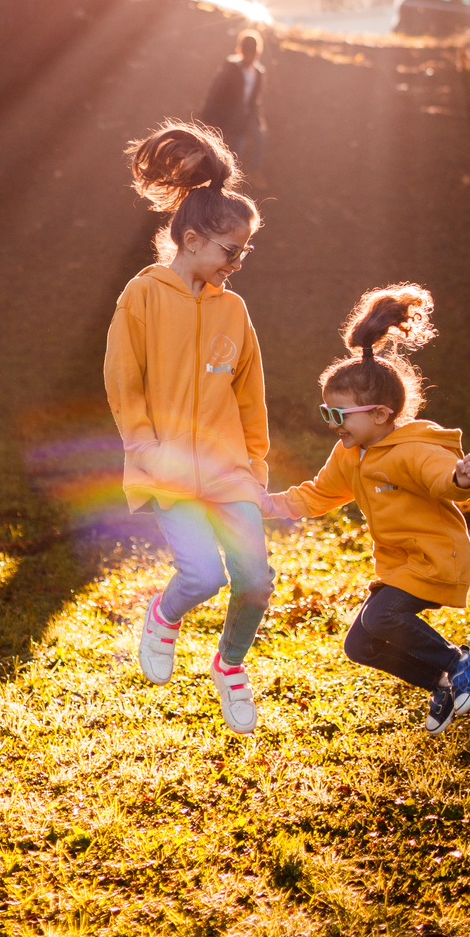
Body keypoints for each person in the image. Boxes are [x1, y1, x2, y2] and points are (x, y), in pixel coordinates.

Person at [104, 120, 273, 734]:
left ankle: (229, 666)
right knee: (202, 575)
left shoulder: (234, 308)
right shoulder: (142, 296)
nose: (238, 262)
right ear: (194, 239)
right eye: (232, 251)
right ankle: (164, 615)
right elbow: (124, 381)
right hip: (168, 467)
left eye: (244, 252)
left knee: (255, 581)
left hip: (230, 470)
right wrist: (143, 448)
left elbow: (249, 390)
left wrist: (256, 465)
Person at [259, 283, 470, 737]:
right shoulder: (351, 455)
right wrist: (266, 505)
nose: (332, 425)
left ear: (381, 415)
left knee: (381, 618)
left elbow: (439, 474)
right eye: (327, 414)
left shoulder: (411, 449)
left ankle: (459, 662)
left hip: (435, 557)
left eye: (340, 416)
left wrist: (460, 478)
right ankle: (440, 682)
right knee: (361, 644)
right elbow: (318, 495)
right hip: (400, 564)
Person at [201, 30, 267, 177]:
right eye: (247, 52)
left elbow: (255, 99)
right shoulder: (231, 68)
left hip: (245, 116)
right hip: (226, 116)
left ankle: (255, 171)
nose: (249, 57)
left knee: (260, 136)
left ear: (257, 53)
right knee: (234, 145)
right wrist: (208, 114)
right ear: (240, 50)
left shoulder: (258, 73)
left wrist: (256, 118)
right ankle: (222, 174)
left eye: (252, 53)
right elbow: (214, 91)